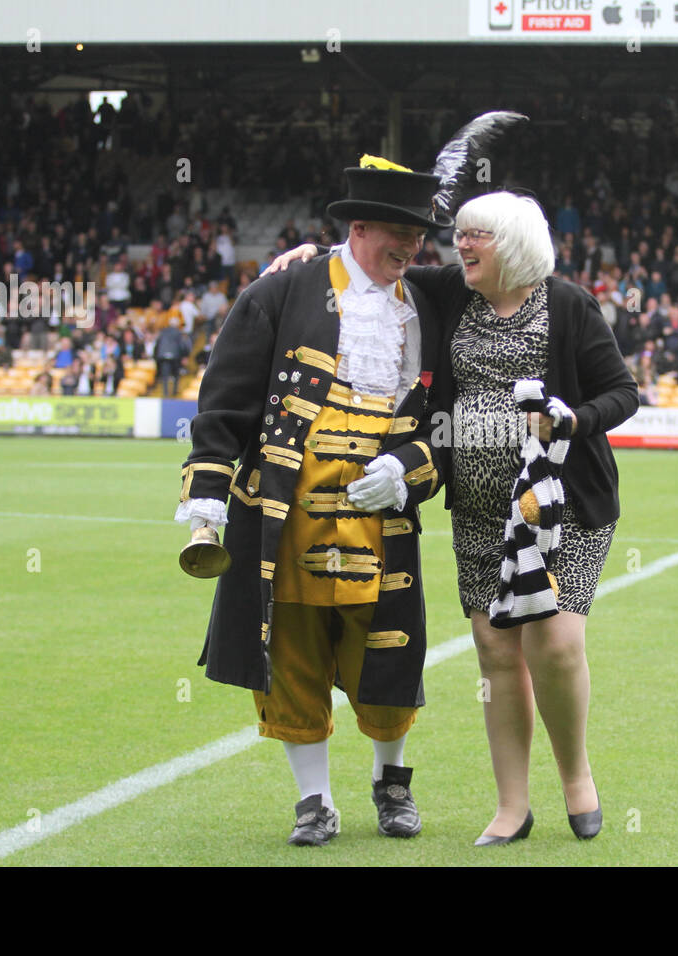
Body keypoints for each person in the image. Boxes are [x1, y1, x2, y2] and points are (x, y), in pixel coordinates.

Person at [267, 190, 638, 845]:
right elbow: (378, 260)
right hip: (477, 509)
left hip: (564, 506)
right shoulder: (452, 293)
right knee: (497, 652)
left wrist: (572, 419)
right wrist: (310, 257)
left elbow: (623, 393)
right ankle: (512, 807)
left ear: (515, 243)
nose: (459, 245)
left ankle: (576, 777)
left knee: (553, 641)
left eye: (477, 237)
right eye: (460, 234)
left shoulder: (569, 304)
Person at [177, 157, 448, 848]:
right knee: (292, 657)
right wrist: (205, 503)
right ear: (357, 228)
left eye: (419, 238)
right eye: (398, 234)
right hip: (285, 517)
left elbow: (443, 425)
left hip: (380, 518)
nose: (411, 249)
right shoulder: (282, 289)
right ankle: (314, 801)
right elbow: (226, 401)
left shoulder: (428, 304)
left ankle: (393, 786)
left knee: (387, 655)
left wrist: (410, 469)